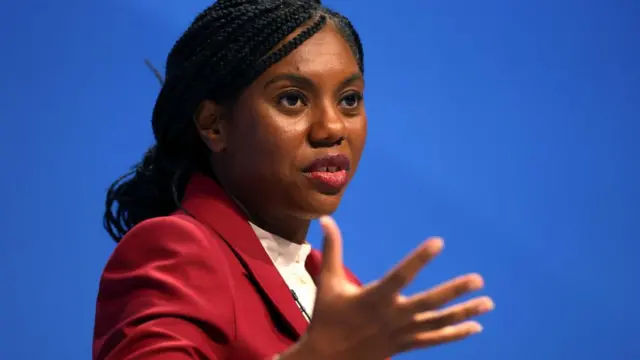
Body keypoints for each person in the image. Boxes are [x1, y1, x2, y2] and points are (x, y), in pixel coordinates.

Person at [94, 0, 495, 359]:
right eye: (292, 99)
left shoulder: (336, 288)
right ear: (214, 125)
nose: (332, 127)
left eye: (349, 99)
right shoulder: (177, 250)